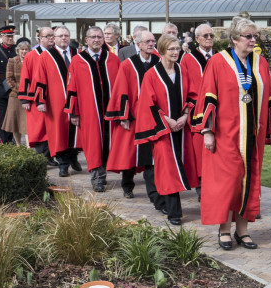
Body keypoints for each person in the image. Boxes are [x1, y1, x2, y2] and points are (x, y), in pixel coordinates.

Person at [192, 17, 271, 251]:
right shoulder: (217, 62)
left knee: (249, 182)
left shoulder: (261, 62)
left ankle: (243, 231)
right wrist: (208, 131)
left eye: (255, 36)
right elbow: (208, 97)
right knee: (229, 183)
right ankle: (224, 229)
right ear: (234, 39)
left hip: (253, 134)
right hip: (226, 134)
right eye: (248, 36)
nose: (253, 40)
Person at [135, 35, 197, 225]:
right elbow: (147, 104)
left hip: (182, 128)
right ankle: (174, 212)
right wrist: (167, 120)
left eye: (178, 48)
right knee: (168, 169)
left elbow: (194, 95)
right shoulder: (151, 75)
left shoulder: (182, 71)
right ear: (161, 51)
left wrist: (186, 116)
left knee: (182, 165)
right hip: (163, 131)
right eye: (171, 49)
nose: (176, 52)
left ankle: (164, 203)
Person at [105, 30, 160, 201]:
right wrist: (123, 116)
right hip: (134, 116)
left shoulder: (158, 62)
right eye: (148, 41)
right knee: (129, 153)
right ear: (138, 44)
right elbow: (121, 90)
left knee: (152, 154)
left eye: (153, 41)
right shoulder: (128, 65)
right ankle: (127, 186)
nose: (151, 44)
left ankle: (155, 191)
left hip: (153, 116)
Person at [65, 26, 120, 192]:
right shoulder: (78, 60)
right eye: (93, 37)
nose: (96, 40)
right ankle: (97, 178)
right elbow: (71, 87)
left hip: (109, 111)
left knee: (108, 143)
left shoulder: (112, 60)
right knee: (93, 144)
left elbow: (119, 87)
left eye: (99, 37)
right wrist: (73, 112)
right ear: (86, 40)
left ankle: (103, 174)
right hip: (89, 112)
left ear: (104, 39)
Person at [34, 26, 81, 177]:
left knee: (75, 132)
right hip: (56, 102)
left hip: (75, 101)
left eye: (66, 35)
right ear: (54, 39)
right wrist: (40, 101)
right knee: (59, 133)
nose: (64, 38)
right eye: (60, 36)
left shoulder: (77, 54)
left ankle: (73, 158)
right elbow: (39, 79)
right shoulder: (46, 56)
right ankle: (62, 163)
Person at [180, 23, 214, 202]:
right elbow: (184, 86)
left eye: (211, 36)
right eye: (205, 36)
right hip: (197, 112)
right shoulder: (188, 58)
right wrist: (186, 109)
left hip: (219, 112)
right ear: (197, 39)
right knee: (200, 152)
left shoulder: (222, 58)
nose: (209, 39)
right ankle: (202, 190)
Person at [19, 27, 56, 164]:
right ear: (40, 38)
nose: (51, 38)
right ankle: (41, 157)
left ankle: (50, 156)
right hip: (36, 99)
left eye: (53, 35)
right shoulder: (31, 55)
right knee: (39, 129)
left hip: (53, 99)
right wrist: (25, 99)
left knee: (51, 128)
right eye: (48, 36)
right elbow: (25, 77)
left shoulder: (55, 54)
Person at [2, 39, 30, 145]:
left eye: (26, 49)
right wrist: (20, 91)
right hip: (15, 96)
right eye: (22, 49)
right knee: (15, 123)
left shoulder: (31, 60)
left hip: (28, 96)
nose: (24, 52)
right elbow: (9, 79)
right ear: (18, 50)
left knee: (26, 123)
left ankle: (28, 146)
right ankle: (18, 145)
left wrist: (27, 92)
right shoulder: (12, 61)